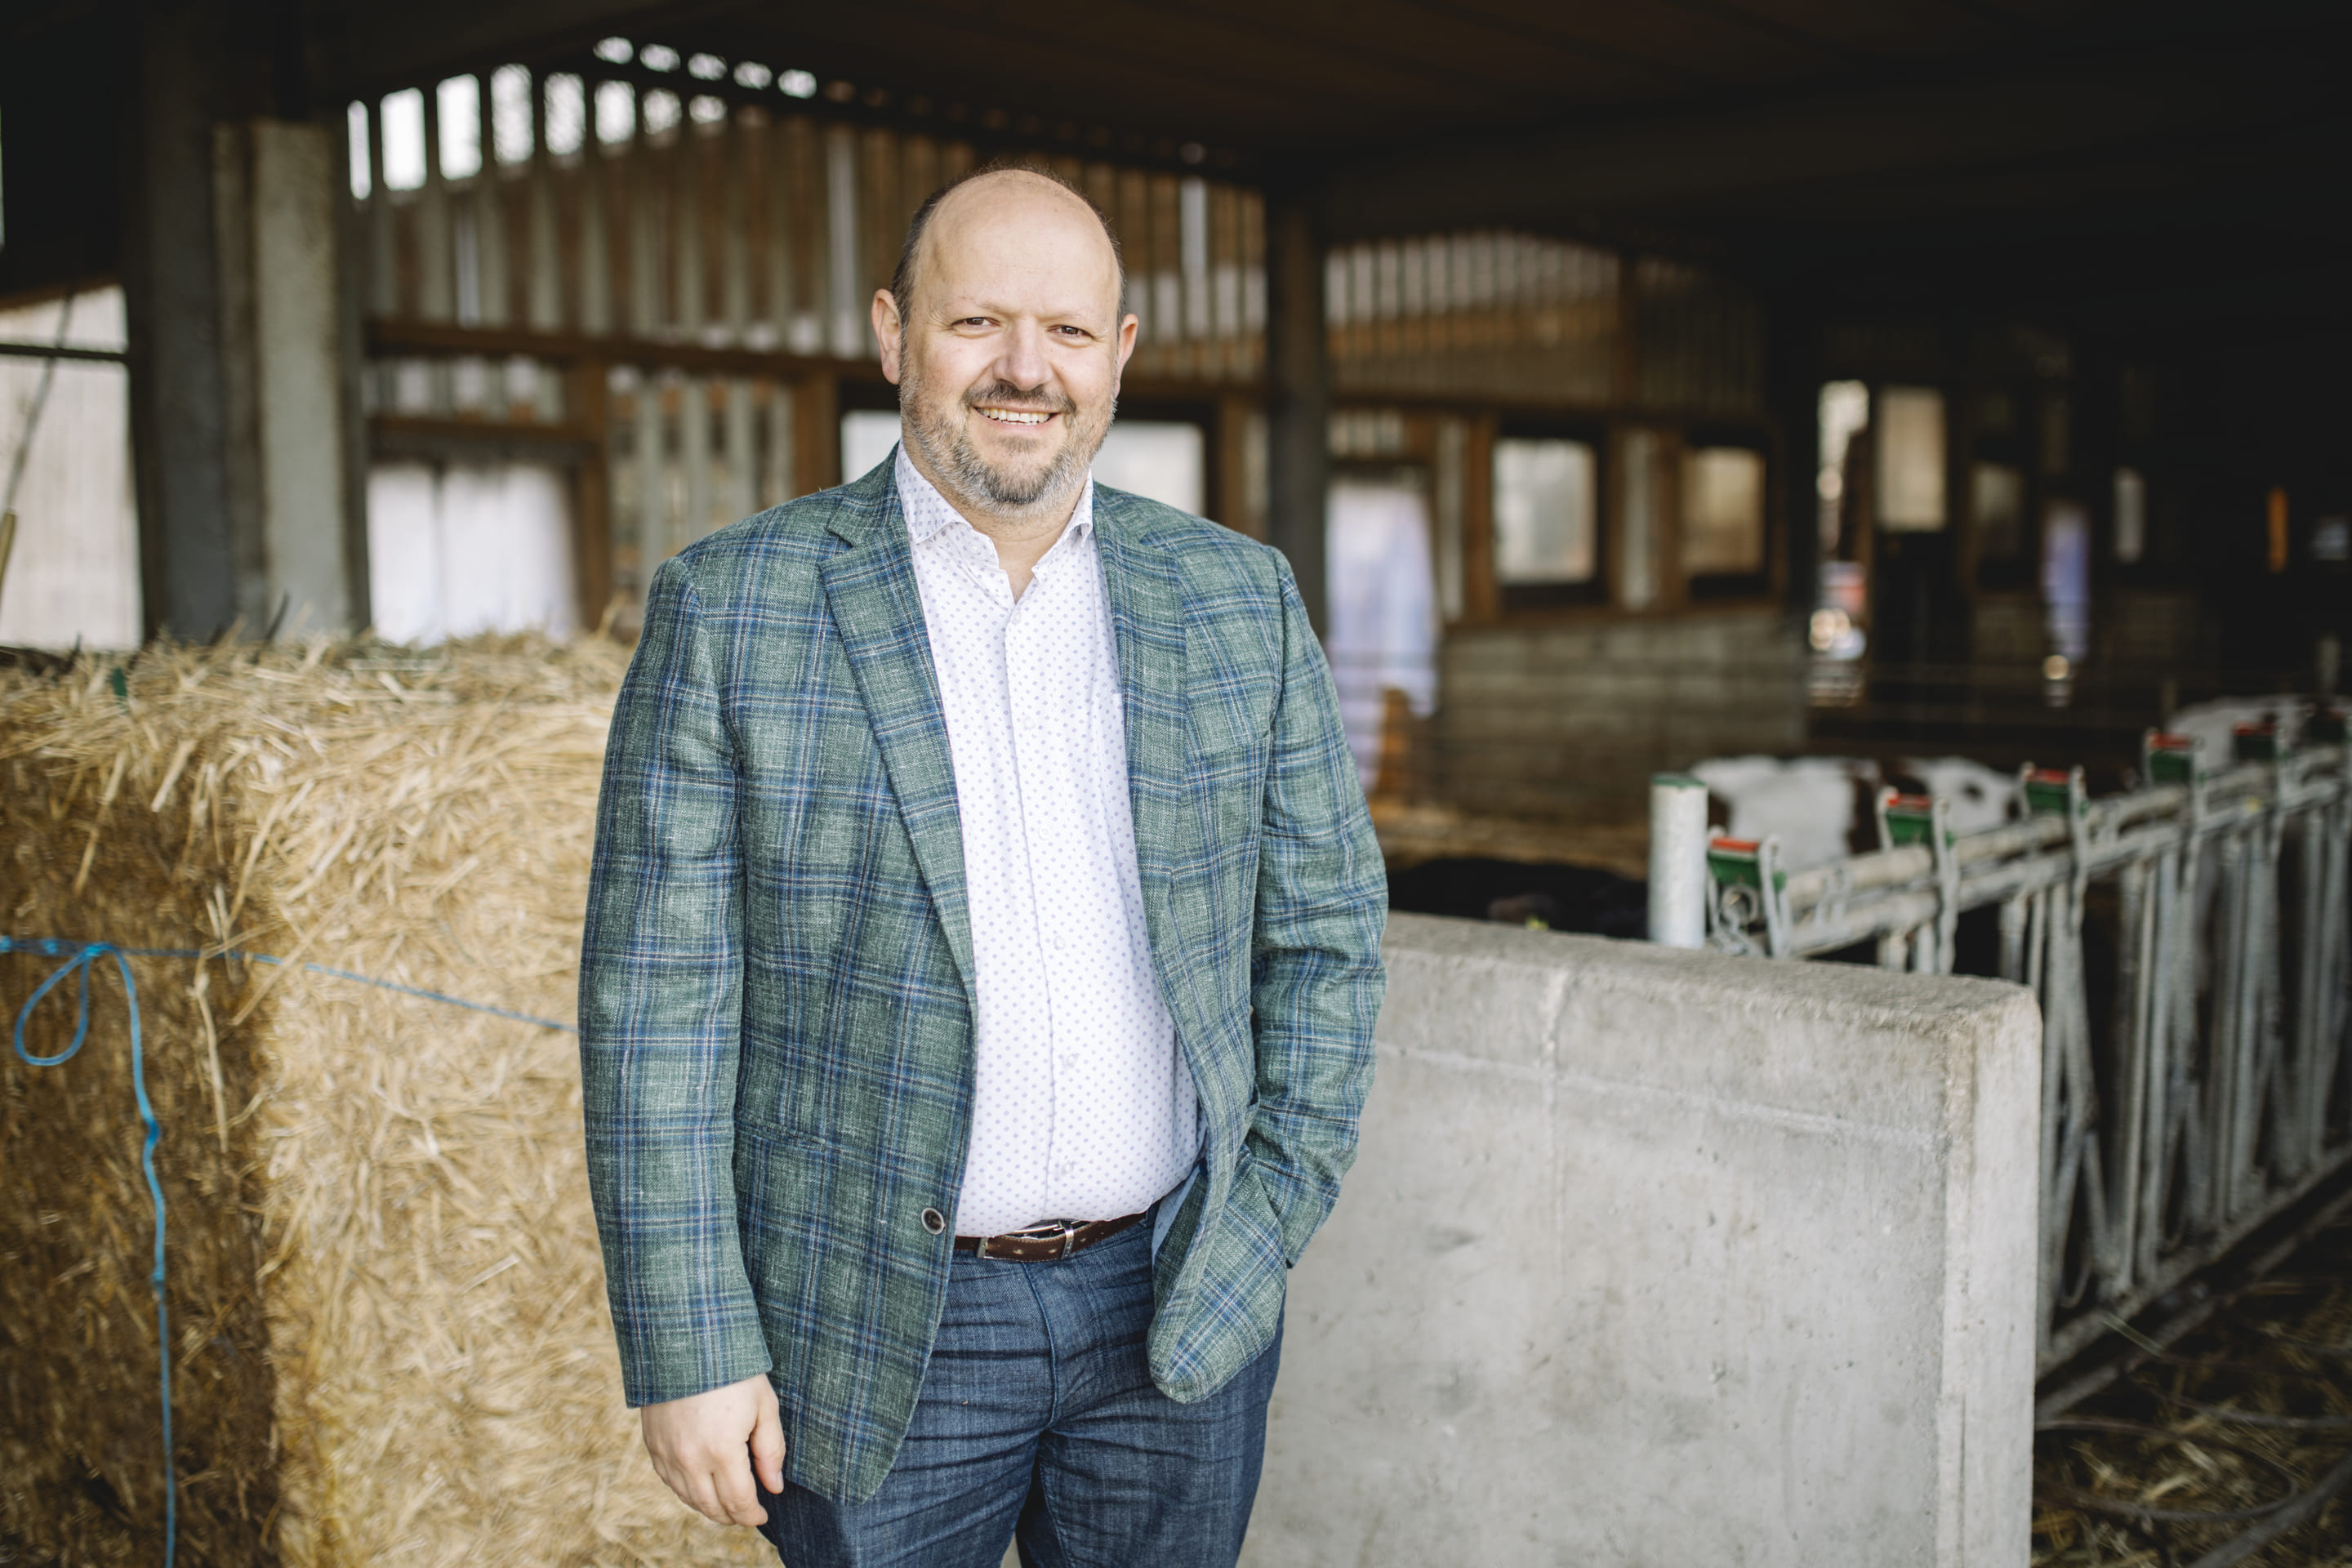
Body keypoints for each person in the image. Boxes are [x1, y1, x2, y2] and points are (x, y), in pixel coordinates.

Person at [578, 161, 1387, 1568]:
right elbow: (657, 1007)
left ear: (1120, 359)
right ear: (896, 335)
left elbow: (1326, 936)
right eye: (978, 326)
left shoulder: (1235, 598)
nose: (1028, 370)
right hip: (884, 1322)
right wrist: (692, 1338)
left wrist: (1256, 1230)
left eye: (1069, 332)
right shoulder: (735, 610)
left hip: (1175, 1304)